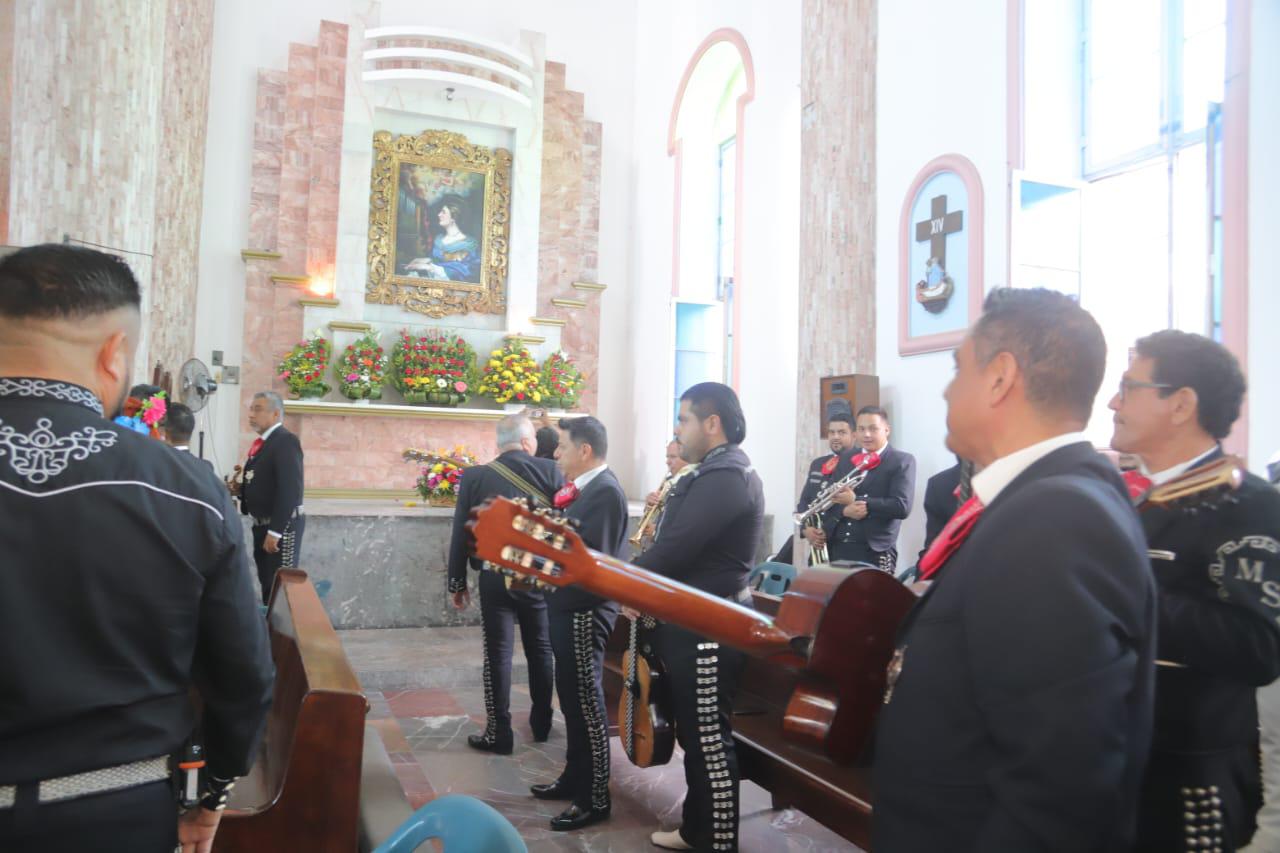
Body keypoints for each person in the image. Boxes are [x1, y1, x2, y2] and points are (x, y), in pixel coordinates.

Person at [0, 244, 273, 853]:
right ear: (113, 353)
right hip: (109, 810)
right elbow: (242, 674)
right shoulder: (185, 487)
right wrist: (215, 792)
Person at [873, 287, 1155, 852]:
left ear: (1001, 378)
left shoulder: (1056, 519)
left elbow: (1059, 790)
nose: (949, 388)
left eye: (959, 370)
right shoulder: (1036, 502)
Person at [1109, 330, 1280, 852]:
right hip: (1125, 764)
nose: (1114, 402)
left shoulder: (1247, 505)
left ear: (1181, 404)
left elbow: (1260, 648)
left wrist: (1126, 586)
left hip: (1187, 786)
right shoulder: (1143, 501)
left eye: (1129, 386)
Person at [631, 382, 765, 852]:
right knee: (695, 734)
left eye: (684, 418)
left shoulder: (727, 475)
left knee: (709, 739)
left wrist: (620, 579)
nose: (677, 428)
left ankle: (718, 841)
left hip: (711, 625)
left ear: (713, 424)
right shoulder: (710, 471)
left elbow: (676, 548)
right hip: (694, 620)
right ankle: (696, 829)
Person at [532, 416, 628, 831]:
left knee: (587, 704)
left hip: (585, 611)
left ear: (585, 451)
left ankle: (595, 797)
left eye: (563, 447)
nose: (556, 455)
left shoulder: (605, 493)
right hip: (565, 606)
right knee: (569, 699)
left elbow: (591, 563)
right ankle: (575, 776)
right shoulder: (583, 490)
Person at [447, 413, 560, 754]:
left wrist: (457, 581)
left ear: (499, 443)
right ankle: (542, 724)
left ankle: (499, 731)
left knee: (497, 653)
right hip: (536, 576)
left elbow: (461, 531)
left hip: (494, 576)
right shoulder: (552, 472)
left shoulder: (476, 476)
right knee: (541, 649)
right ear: (528, 442)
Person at [227, 391, 305, 603]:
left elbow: (290, 490)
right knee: (267, 585)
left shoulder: (285, 441)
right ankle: (270, 634)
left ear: (275, 414)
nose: (251, 414)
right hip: (262, 524)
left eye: (258, 409)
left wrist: (276, 531)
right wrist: (240, 491)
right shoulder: (264, 443)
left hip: (281, 527)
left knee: (281, 588)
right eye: (251, 409)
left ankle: (284, 635)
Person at [825, 406, 916, 572]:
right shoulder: (846, 458)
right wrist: (844, 511)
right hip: (839, 547)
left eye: (873, 429)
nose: (866, 434)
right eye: (861, 429)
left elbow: (902, 507)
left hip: (875, 550)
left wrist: (858, 501)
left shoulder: (902, 461)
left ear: (887, 430)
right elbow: (830, 501)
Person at [773, 410, 857, 565]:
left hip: (844, 545)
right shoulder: (818, 463)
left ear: (854, 435)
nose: (835, 436)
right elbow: (805, 500)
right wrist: (806, 529)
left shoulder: (859, 465)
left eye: (842, 432)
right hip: (818, 546)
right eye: (831, 432)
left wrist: (825, 529)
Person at [404, 196, 480, 282]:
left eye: (443, 212)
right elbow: (439, 260)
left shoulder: (470, 244)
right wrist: (426, 260)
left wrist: (430, 267)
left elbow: (467, 271)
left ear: (453, 217)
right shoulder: (439, 239)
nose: (439, 214)